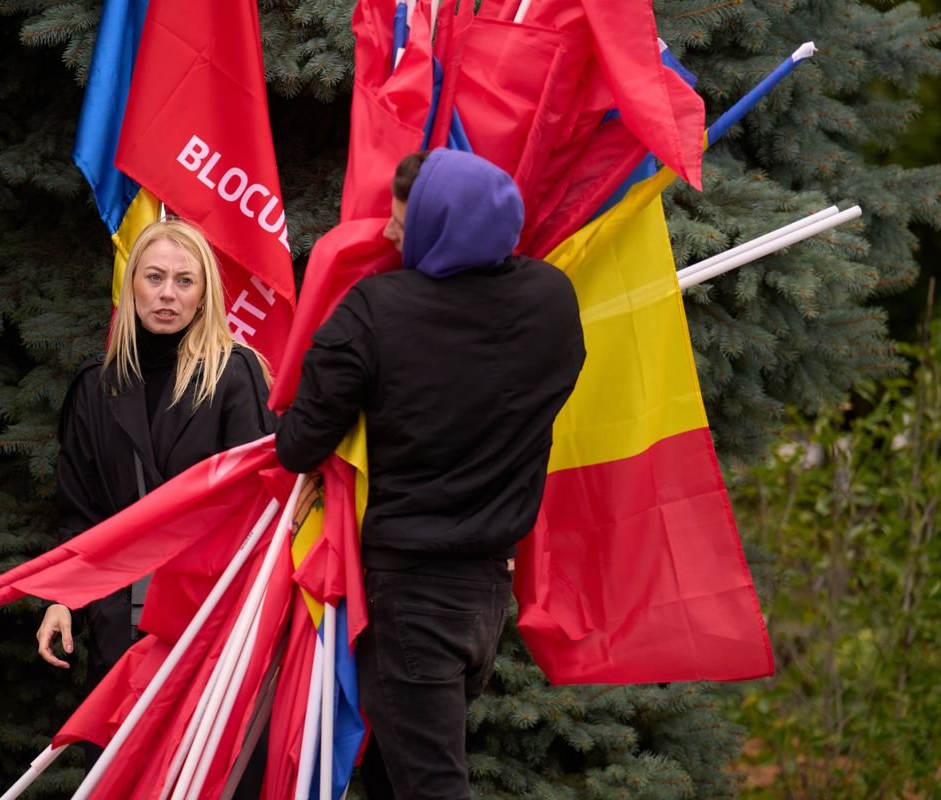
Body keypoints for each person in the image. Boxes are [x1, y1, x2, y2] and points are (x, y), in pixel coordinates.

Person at [275, 149, 586, 799]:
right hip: (485, 595)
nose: (390, 235)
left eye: (402, 222)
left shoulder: (377, 310)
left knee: (429, 783)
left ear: (441, 227)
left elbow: (300, 443)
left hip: (409, 598)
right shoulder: (552, 300)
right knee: (396, 774)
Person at [36, 218, 275, 772]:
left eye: (184, 281)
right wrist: (61, 599)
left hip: (213, 620)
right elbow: (80, 512)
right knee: (122, 776)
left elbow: (260, 510)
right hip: (123, 626)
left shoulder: (234, 374)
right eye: (155, 277)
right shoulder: (95, 385)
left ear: (204, 294)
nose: (168, 294)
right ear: (132, 286)